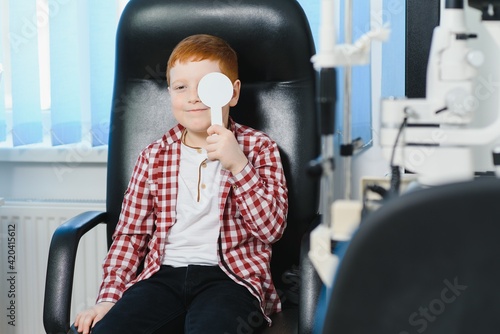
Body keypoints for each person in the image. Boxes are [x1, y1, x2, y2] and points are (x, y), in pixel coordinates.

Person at [72, 34, 288, 334]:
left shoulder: (259, 148)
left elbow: (271, 230)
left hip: (232, 279)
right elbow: (130, 237)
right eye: (181, 87)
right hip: (162, 276)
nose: (193, 97)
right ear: (171, 93)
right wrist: (109, 299)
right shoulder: (153, 156)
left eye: (207, 86)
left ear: (233, 93)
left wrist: (239, 165)